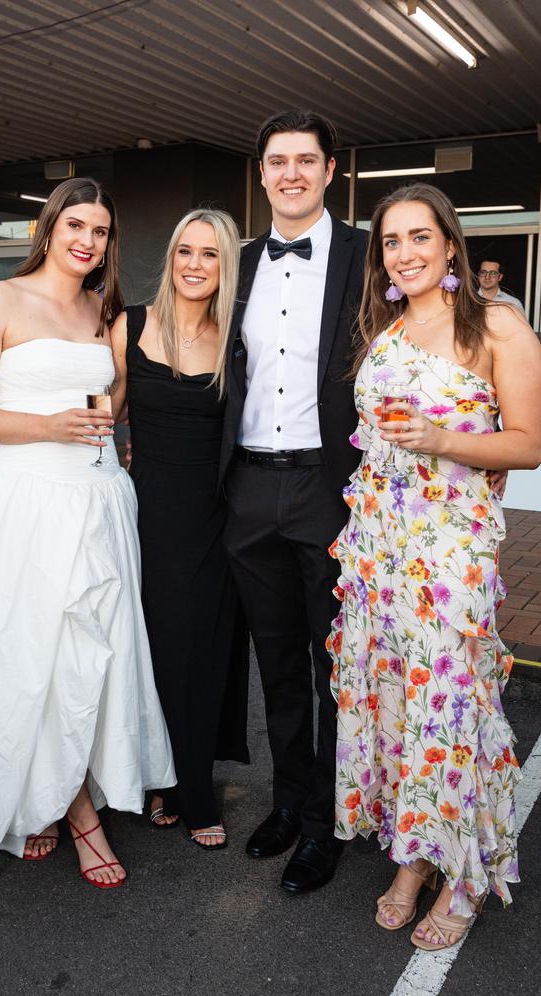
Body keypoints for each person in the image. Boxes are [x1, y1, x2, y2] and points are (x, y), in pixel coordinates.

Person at [0, 178, 175, 883]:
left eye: (102, 232)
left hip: (99, 499)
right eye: (76, 226)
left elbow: (110, 399)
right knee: (29, 658)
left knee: (92, 654)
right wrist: (42, 428)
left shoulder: (99, 308)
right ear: (48, 229)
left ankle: (60, 793)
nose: (88, 241)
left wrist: (106, 413)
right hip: (26, 504)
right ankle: (69, 809)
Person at [327, 182, 541, 950]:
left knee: (450, 708)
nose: (406, 253)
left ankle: (465, 874)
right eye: (391, 241)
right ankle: (413, 859)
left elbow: (528, 443)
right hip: (379, 552)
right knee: (394, 706)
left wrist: (444, 440)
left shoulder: (498, 328)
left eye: (420, 237)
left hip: (448, 557)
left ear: (450, 244)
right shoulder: (383, 327)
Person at [219, 109, 367, 893]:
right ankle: (288, 801)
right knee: (274, 662)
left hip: (329, 486)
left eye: (306, 160)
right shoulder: (237, 262)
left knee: (331, 665)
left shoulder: (368, 256)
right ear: (263, 171)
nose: (291, 173)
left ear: (330, 171)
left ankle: (329, 822)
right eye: (278, 160)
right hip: (250, 488)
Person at [110, 208, 249, 850]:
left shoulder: (236, 339)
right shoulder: (130, 325)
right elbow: (97, 416)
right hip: (145, 511)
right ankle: (156, 775)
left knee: (202, 650)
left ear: (226, 264)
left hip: (215, 515)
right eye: (183, 251)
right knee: (149, 647)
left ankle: (194, 785)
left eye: (209, 254)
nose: (194, 265)